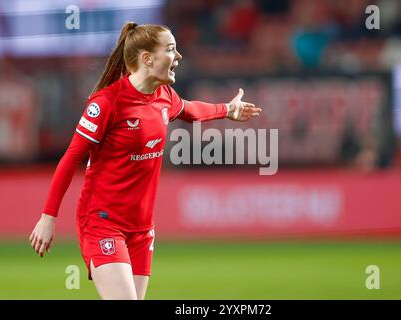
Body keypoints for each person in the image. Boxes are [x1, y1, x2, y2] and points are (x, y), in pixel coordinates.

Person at [29, 22, 261, 300]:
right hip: (102, 224)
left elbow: (191, 110)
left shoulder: (164, 96)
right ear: (147, 59)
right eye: (172, 50)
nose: (179, 56)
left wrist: (227, 110)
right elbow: (70, 159)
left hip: (142, 230)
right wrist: (47, 218)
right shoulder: (106, 103)